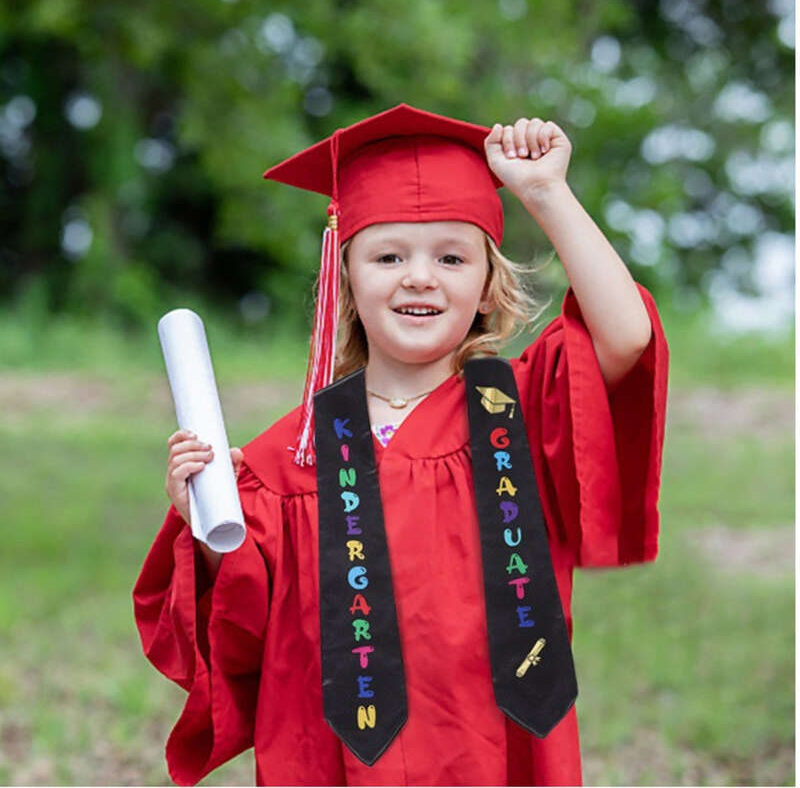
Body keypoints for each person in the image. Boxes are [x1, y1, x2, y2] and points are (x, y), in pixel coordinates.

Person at [134, 103, 668, 786]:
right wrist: (206, 523)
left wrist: (546, 194)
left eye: (452, 257)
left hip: (491, 751)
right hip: (338, 761)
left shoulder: (521, 414)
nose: (419, 276)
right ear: (347, 280)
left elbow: (625, 336)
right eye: (388, 256)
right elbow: (244, 625)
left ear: (487, 286)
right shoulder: (288, 460)